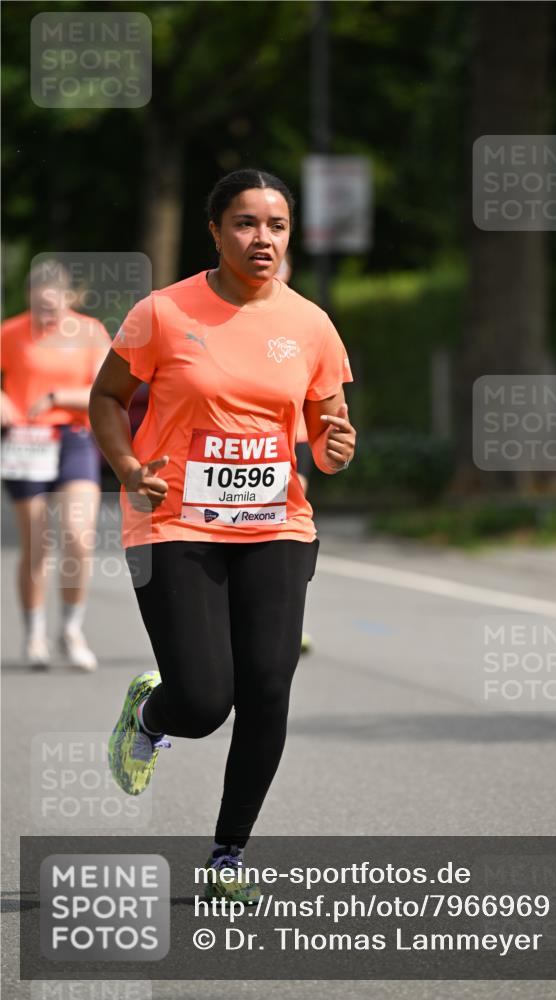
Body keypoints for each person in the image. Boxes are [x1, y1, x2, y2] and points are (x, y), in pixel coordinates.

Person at [89, 168, 356, 903]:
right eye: (245, 223)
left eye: (275, 225)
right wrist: (126, 462)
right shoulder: (163, 313)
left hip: (275, 524)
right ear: (214, 231)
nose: (261, 237)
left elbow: (323, 429)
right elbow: (108, 396)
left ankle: (228, 854)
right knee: (205, 703)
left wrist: (333, 446)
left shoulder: (309, 323)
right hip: (171, 520)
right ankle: (150, 711)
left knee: (267, 686)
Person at [1, 260, 109, 670]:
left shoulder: (89, 332)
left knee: (79, 538)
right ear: (29, 297)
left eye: (55, 305)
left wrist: (57, 397)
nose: (48, 313)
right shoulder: (11, 332)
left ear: (70, 298)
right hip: (26, 445)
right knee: (38, 543)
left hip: (73, 439)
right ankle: (34, 634)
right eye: (40, 305)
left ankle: (71, 630)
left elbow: (102, 392)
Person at [276, 251, 314, 653]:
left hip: (296, 439)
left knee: (287, 526)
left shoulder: (304, 319)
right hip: (248, 448)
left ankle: (286, 620)